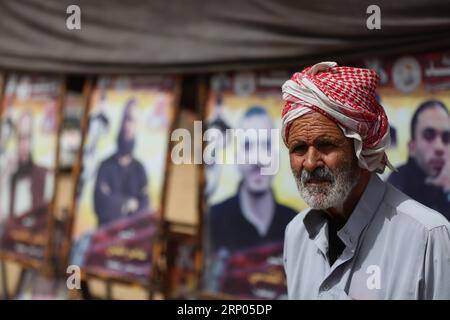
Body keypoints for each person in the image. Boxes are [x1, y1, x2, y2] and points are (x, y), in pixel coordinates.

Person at [282, 61, 450, 299]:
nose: (310, 162)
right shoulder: (297, 235)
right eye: (299, 148)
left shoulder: (427, 236)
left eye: (326, 145)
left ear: (362, 150)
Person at [208, 106, 296, 254]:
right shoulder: (212, 220)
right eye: (248, 146)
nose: (258, 159)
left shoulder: (296, 225)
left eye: (266, 146)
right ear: (236, 158)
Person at [388, 100, 450, 219]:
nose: (439, 147)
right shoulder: (398, 183)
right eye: (429, 135)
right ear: (412, 147)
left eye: (446, 138)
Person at [93, 99, 150, 226]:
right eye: (126, 119)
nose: (127, 126)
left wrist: (113, 200)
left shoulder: (140, 170)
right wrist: (128, 203)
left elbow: (144, 210)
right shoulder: (105, 166)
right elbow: (101, 205)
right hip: (106, 237)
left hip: (132, 240)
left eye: (133, 121)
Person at [9, 112, 50, 220]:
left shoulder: (44, 174)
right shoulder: (10, 173)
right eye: (20, 138)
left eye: (27, 137)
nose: (23, 145)